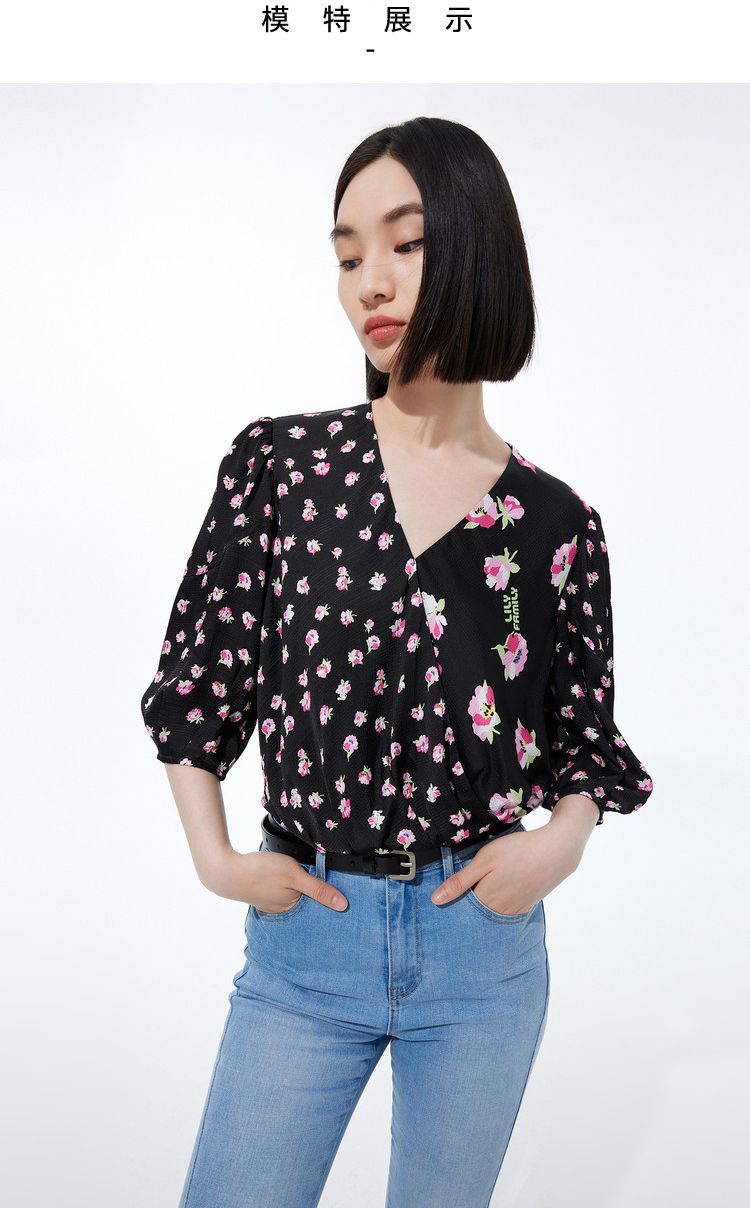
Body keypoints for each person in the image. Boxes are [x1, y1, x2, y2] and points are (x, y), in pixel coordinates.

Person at [140, 116, 653, 1208]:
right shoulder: (283, 467)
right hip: (306, 938)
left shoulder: (557, 522)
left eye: (406, 243)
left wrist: (560, 845)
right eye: (346, 255)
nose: (369, 280)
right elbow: (199, 677)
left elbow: (583, 737)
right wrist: (216, 859)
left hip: (482, 951)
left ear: (476, 247)